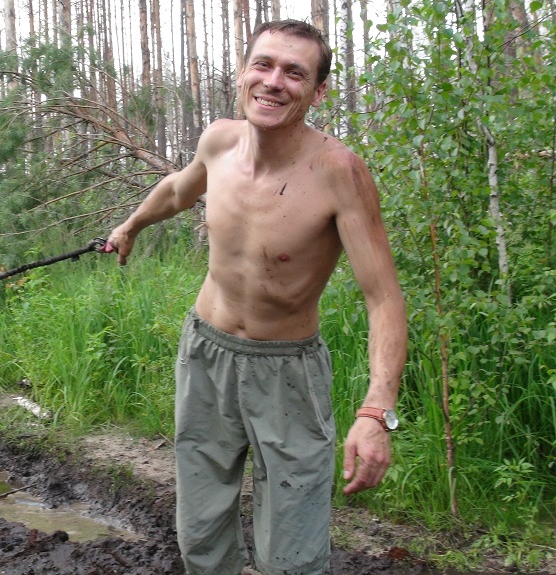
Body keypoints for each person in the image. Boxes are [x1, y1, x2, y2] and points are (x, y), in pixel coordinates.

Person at [104, 20, 407, 575]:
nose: (273, 81)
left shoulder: (339, 172)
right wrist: (131, 226)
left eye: (294, 72)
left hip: (287, 372)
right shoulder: (219, 141)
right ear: (243, 73)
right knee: (201, 533)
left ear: (318, 92)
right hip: (206, 355)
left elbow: (384, 299)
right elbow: (178, 189)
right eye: (263, 65)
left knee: (292, 553)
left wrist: (375, 411)